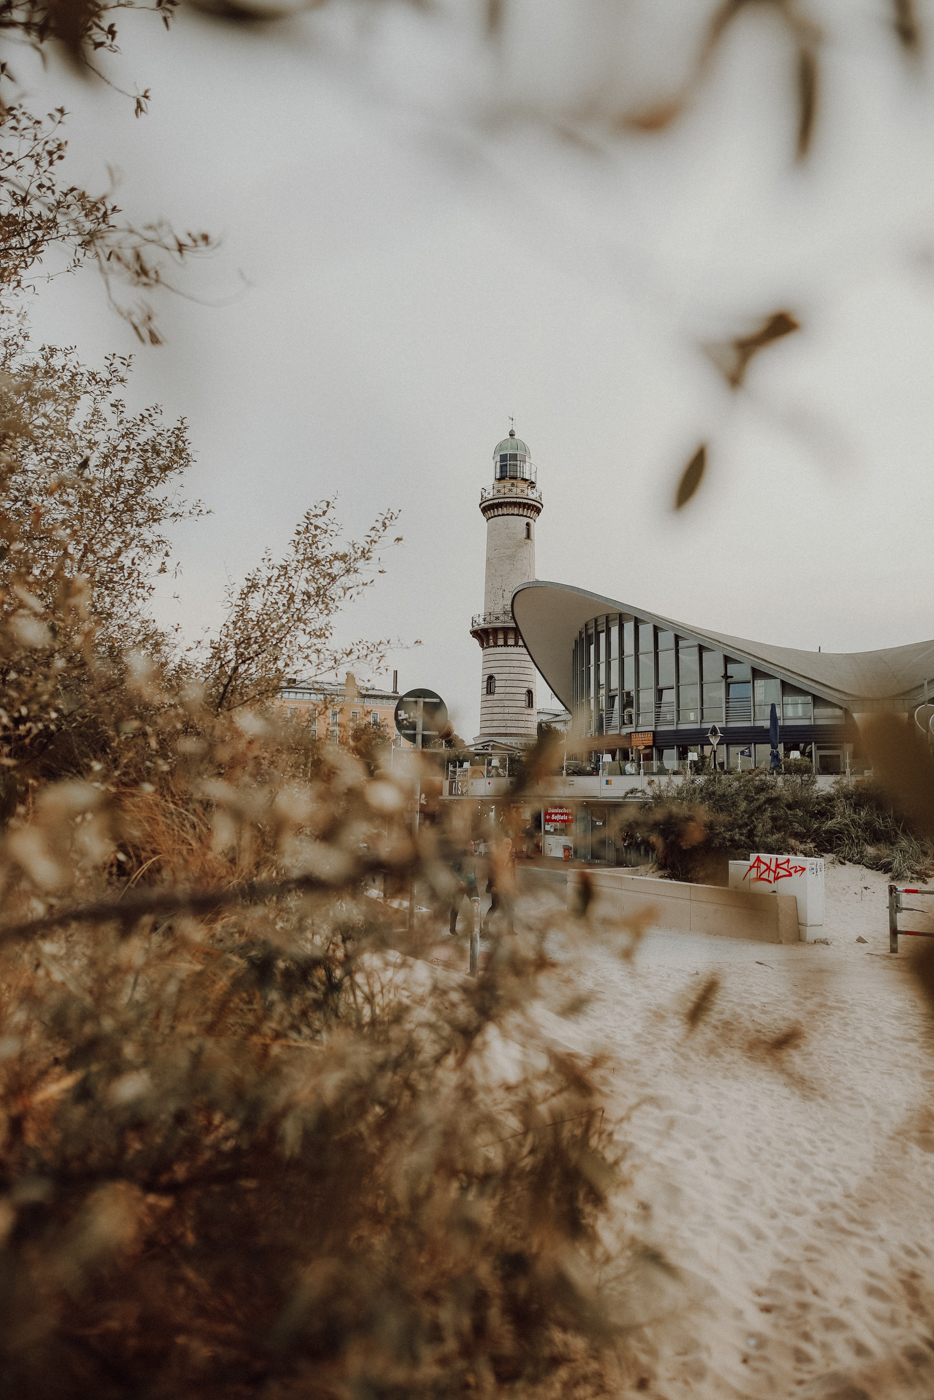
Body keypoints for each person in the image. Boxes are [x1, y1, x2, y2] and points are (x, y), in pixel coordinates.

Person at [448, 840, 479, 935]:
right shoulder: (459, 856)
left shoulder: (474, 856)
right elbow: (452, 870)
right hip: (461, 885)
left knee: (476, 905)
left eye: (473, 845)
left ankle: (476, 927)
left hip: (472, 884)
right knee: (456, 906)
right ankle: (452, 928)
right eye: (470, 845)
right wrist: (459, 881)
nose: (472, 846)